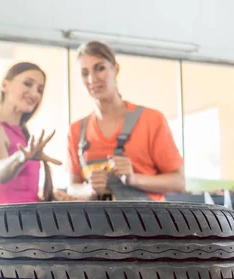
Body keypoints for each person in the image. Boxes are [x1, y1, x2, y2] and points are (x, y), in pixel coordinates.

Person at [67, 41, 185, 201]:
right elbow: (73, 187)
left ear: (115, 69)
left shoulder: (151, 120)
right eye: (84, 73)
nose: (92, 79)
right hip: (99, 224)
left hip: (149, 223)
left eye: (100, 68)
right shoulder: (76, 131)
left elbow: (178, 182)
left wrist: (133, 179)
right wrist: (89, 189)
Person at [0, 62, 70, 204]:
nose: (34, 93)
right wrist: (21, 157)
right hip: (9, 223)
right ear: (5, 85)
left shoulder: (23, 135)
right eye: (27, 84)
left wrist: (51, 198)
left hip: (30, 220)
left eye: (40, 90)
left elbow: (26, 196)